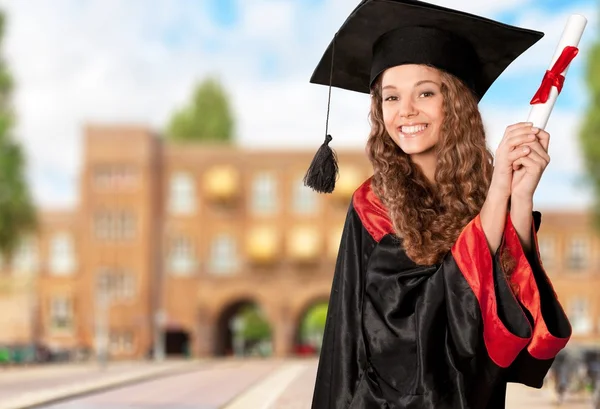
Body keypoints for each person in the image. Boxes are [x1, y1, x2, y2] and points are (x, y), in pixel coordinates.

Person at [302, 1, 573, 408]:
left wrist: (518, 199)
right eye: (391, 98)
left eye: (425, 92)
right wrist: (499, 194)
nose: (405, 111)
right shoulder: (375, 204)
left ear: (457, 102)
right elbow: (400, 334)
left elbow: (512, 334)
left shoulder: (487, 195)